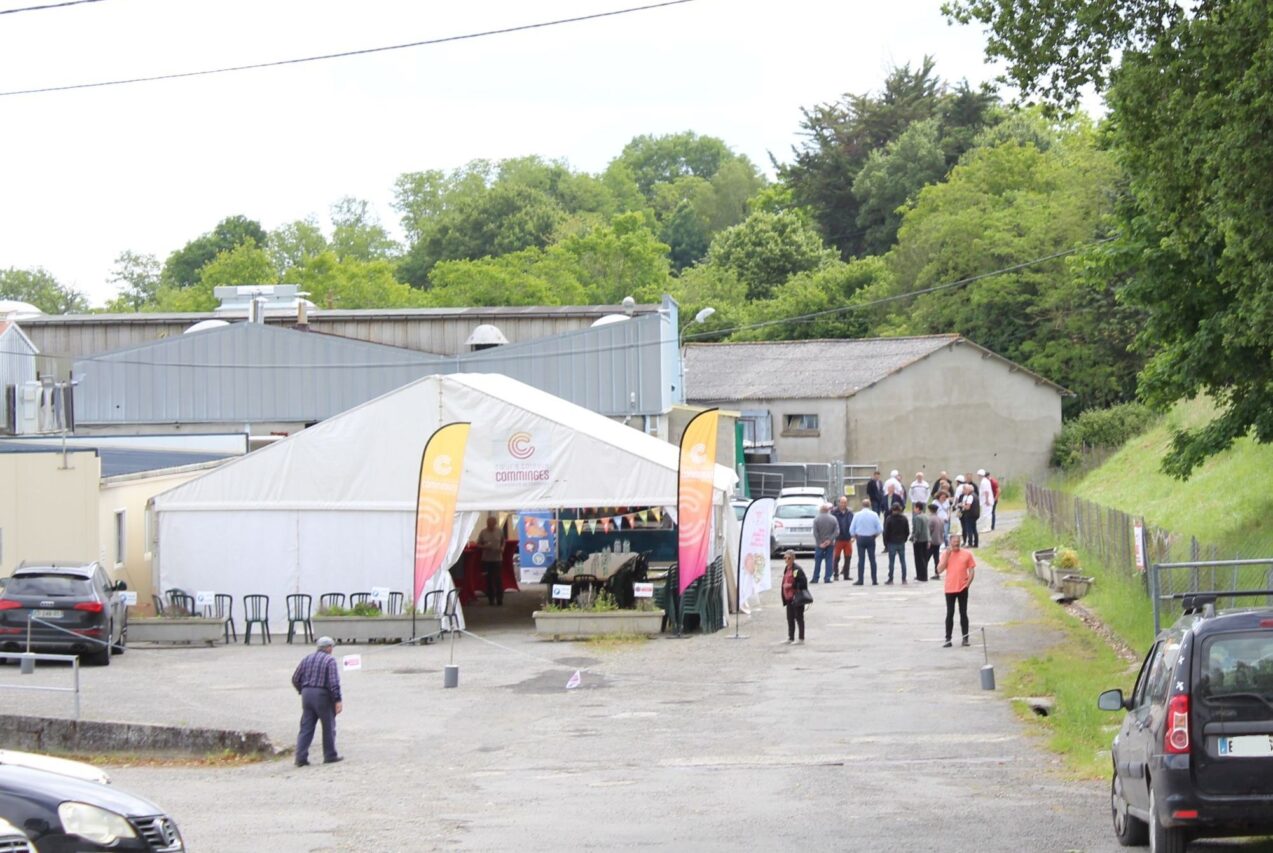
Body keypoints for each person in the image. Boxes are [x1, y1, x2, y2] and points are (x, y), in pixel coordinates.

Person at [292, 636, 343, 766]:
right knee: (328, 725)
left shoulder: (307, 658)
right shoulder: (330, 660)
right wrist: (337, 700)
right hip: (322, 695)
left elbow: (295, 678)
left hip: (307, 694)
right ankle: (330, 755)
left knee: (306, 726)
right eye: (331, 647)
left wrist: (302, 690)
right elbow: (333, 683)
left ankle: (300, 757)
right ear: (328, 648)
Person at [935, 532, 976, 647]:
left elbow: (972, 570)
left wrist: (967, 584)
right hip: (950, 588)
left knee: (963, 613)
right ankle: (948, 639)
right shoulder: (945, 554)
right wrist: (947, 556)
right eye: (954, 544)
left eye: (958, 543)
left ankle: (965, 638)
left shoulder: (967, 554)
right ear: (950, 543)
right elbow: (939, 570)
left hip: (962, 587)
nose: (956, 546)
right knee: (950, 613)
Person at [849, 498, 882, 585]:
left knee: (861, 560)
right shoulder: (874, 515)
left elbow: (851, 529)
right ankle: (874, 580)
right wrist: (875, 535)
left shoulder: (857, 515)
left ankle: (860, 580)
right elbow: (880, 529)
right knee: (872, 559)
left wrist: (855, 535)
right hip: (871, 538)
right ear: (870, 505)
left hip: (860, 538)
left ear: (862, 505)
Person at [780, 550, 809, 644]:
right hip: (788, 598)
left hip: (796, 597)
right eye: (785, 558)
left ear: (793, 558)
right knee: (790, 618)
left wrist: (791, 586)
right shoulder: (787, 568)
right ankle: (790, 637)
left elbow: (803, 582)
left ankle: (801, 638)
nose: (786, 560)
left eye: (788, 558)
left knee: (799, 617)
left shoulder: (797, 569)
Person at [477, 515, 505, 605]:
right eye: (489, 524)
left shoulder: (499, 531)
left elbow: (503, 541)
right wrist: (484, 546)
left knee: (498, 579)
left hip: (497, 559)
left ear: (495, 524)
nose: (491, 526)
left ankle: (500, 599)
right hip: (486, 559)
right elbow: (478, 544)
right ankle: (491, 599)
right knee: (488, 579)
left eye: (492, 524)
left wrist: (502, 547)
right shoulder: (483, 532)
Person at [883, 504, 910, 584]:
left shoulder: (889, 519)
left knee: (891, 562)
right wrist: (904, 539)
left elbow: (886, 532)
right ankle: (904, 578)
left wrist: (886, 542)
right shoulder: (904, 518)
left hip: (892, 542)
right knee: (903, 561)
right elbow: (907, 531)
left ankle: (891, 578)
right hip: (901, 542)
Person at [812, 503, 838, 583]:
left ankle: (815, 578)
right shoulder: (833, 519)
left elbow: (815, 533)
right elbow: (836, 531)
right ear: (828, 510)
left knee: (818, 561)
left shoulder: (816, 519)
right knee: (829, 560)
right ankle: (827, 578)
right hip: (830, 544)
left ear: (820, 510)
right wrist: (829, 540)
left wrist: (820, 542)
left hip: (820, 544)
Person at [831, 496, 855, 580]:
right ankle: (835, 574)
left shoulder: (850, 513)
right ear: (839, 503)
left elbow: (853, 524)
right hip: (838, 538)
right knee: (836, 557)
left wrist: (853, 536)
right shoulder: (834, 512)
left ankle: (846, 575)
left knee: (848, 557)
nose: (843, 504)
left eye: (845, 502)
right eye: (842, 502)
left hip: (848, 538)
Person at [910, 500, 931, 582]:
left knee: (918, 559)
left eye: (915, 507)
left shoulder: (917, 517)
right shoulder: (925, 516)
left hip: (919, 540)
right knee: (924, 558)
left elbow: (917, 530)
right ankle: (924, 575)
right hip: (925, 539)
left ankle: (920, 576)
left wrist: (914, 538)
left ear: (918, 508)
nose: (914, 509)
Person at [959, 482, 981, 548]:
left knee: (969, 529)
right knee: (974, 529)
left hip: (970, 515)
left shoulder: (970, 496)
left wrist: (962, 505)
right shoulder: (975, 495)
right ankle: (976, 543)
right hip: (975, 514)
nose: (964, 491)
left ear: (968, 490)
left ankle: (970, 543)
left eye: (964, 490)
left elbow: (968, 507)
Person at [926, 502, 944, 579]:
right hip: (939, 540)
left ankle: (923, 573)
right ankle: (937, 573)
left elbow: (928, 530)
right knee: (936, 558)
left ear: (930, 510)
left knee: (926, 558)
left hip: (932, 541)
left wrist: (928, 540)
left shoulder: (931, 519)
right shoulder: (940, 519)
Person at [977, 469, 995, 537]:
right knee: (986, 514)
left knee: (986, 514)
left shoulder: (984, 482)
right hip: (986, 500)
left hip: (986, 501)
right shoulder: (986, 481)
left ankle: (987, 527)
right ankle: (986, 527)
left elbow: (986, 492)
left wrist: (987, 500)